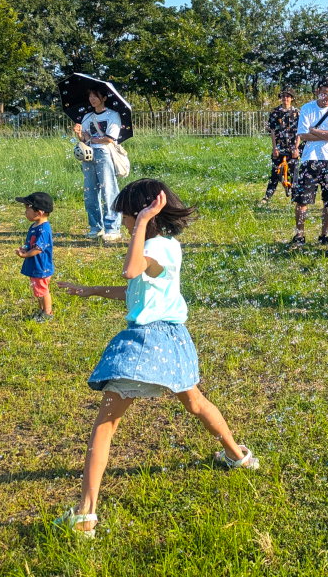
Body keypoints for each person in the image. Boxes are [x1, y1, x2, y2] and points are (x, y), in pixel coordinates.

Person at [55, 179, 259, 538]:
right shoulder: (165, 246)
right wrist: (90, 291)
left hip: (148, 340)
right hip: (173, 339)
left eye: (127, 215)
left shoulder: (156, 245)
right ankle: (237, 456)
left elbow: (131, 270)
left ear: (145, 214)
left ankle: (86, 514)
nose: (123, 221)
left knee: (105, 423)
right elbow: (136, 289)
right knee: (195, 402)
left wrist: (146, 221)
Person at [290, 78, 328, 246]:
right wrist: (326, 134)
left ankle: (324, 235)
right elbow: (303, 135)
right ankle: (299, 235)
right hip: (310, 159)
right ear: (317, 92)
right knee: (302, 200)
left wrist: (314, 130)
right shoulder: (307, 108)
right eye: (324, 94)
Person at [74, 89, 123, 241]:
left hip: (104, 154)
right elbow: (85, 138)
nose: (92, 99)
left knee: (108, 190)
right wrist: (79, 134)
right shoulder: (88, 116)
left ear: (104, 98)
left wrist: (91, 139)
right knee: (90, 192)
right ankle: (95, 227)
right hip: (88, 155)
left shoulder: (112, 115)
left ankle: (112, 228)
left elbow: (109, 138)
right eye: (90, 96)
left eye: (95, 96)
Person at [14, 192, 54, 320]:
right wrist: (25, 248)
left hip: (41, 266)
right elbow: (31, 244)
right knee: (38, 290)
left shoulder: (44, 229)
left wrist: (25, 255)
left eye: (27, 208)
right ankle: (42, 310)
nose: (25, 212)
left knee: (42, 290)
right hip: (35, 265)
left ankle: (47, 313)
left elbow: (38, 248)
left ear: (39, 212)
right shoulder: (34, 226)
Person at [260, 88, 299, 204]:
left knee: (294, 173)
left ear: (292, 98)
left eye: (288, 96)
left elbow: (300, 132)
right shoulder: (275, 112)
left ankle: (295, 197)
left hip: (292, 146)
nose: (285, 99)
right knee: (275, 172)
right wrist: (274, 148)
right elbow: (272, 131)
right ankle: (267, 197)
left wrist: (296, 148)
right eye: (283, 96)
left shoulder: (297, 113)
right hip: (280, 146)